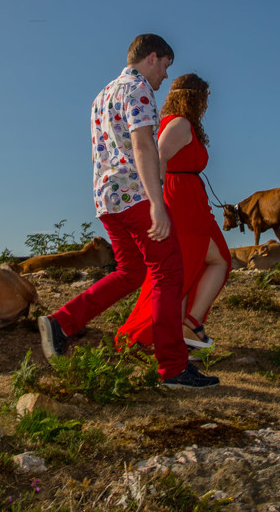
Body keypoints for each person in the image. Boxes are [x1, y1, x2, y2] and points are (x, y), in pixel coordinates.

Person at [38, 34, 219, 389]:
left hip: (106, 200)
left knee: (131, 271)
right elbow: (142, 146)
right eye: (166, 65)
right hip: (135, 197)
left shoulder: (101, 95)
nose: (166, 76)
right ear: (152, 57)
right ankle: (173, 368)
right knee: (169, 274)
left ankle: (61, 322)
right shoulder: (138, 90)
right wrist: (157, 203)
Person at [116, 73, 232, 351]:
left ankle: (181, 329)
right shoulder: (179, 123)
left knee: (192, 266)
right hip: (180, 201)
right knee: (215, 261)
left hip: (189, 198)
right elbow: (158, 157)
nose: (205, 104)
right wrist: (161, 205)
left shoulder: (179, 122)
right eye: (203, 97)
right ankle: (187, 325)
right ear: (194, 97)